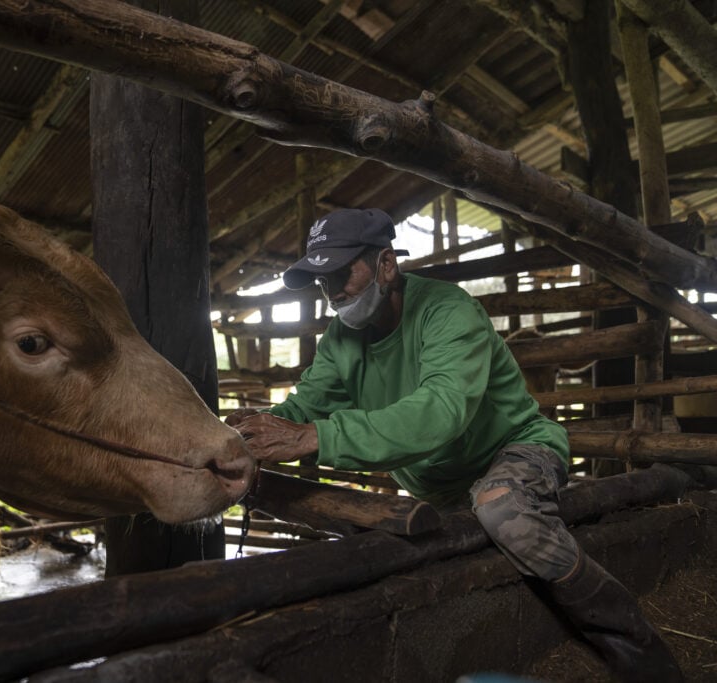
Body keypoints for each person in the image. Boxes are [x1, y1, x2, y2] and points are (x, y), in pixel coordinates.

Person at [226, 208, 681, 682]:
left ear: (386, 264)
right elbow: (307, 404)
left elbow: (441, 412)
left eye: (342, 274)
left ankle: (637, 649)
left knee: (505, 511)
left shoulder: (448, 311)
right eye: (321, 281)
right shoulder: (342, 337)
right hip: (440, 486)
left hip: (515, 450)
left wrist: (313, 436)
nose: (331, 292)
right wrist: (255, 429)